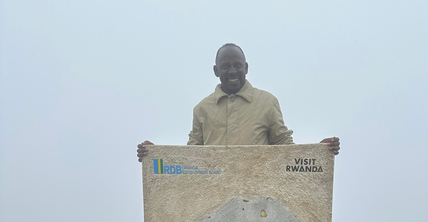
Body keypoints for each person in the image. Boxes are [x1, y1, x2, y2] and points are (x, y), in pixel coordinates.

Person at [137, 43, 340, 161]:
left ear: (246, 68)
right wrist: (156, 156)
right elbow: (192, 156)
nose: (232, 71)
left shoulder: (267, 102)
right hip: (214, 195)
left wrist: (317, 152)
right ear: (216, 71)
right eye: (225, 66)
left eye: (237, 65)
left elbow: (283, 147)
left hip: (258, 195)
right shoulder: (202, 109)